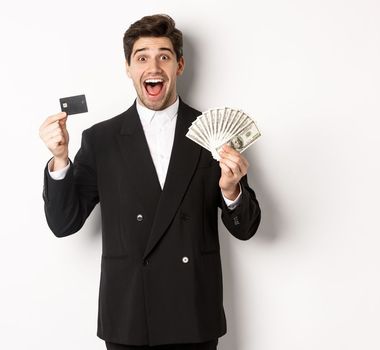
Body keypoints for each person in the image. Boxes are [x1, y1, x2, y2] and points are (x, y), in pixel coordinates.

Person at [38, 14, 261, 350]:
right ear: (128, 67)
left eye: (164, 56)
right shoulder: (101, 139)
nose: (153, 67)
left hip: (193, 315)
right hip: (128, 316)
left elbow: (246, 228)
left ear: (179, 65)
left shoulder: (214, 135)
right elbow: (63, 223)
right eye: (142, 57)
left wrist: (231, 191)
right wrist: (59, 160)